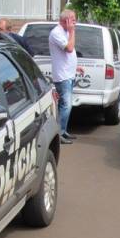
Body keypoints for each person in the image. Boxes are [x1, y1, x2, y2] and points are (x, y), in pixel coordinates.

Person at [49, 9, 82, 145]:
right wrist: (72, 31)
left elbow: (69, 54)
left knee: (67, 105)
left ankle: (64, 130)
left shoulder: (66, 32)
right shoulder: (56, 32)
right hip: (62, 76)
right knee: (65, 105)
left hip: (69, 73)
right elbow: (69, 48)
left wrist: (75, 67)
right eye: (73, 18)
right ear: (65, 20)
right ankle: (59, 133)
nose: (75, 21)